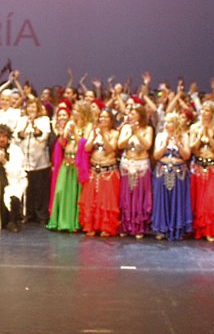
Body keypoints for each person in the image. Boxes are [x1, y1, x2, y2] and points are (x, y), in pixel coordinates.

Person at [78, 108, 121, 237]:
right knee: (91, 200)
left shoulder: (114, 133)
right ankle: (90, 225)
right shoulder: (94, 131)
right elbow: (87, 148)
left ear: (111, 120)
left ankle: (106, 227)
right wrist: (95, 136)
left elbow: (111, 149)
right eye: (101, 117)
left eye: (105, 117)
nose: (102, 119)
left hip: (108, 171)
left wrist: (103, 136)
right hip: (94, 170)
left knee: (106, 201)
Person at [47, 101, 89, 232]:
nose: (74, 113)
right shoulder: (70, 124)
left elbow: (85, 145)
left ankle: (74, 223)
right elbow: (63, 144)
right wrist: (61, 132)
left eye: (77, 111)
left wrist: (75, 134)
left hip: (78, 164)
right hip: (66, 162)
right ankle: (61, 221)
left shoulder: (88, 126)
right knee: (61, 191)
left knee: (75, 194)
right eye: (74, 110)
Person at [151, 112, 193, 240]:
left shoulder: (184, 136)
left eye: (169, 122)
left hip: (179, 172)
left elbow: (186, 156)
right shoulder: (160, 136)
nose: (166, 124)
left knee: (178, 199)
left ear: (176, 124)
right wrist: (165, 144)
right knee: (162, 199)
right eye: (166, 122)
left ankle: (177, 228)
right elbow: (156, 156)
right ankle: (161, 228)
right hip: (163, 170)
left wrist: (178, 143)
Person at [189, 101, 214, 242]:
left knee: (211, 200)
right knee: (198, 199)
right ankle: (198, 229)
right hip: (198, 166)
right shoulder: (194, 127)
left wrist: (209, 136)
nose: (204, 113)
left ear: (212, 113)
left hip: (213, 167)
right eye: (203, 110)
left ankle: (211, 229)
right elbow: (193, 148)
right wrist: (200, 136)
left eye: (208, 110)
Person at [116, 105, 153, 239]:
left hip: (141, 165)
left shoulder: (148, 129)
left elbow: (147, 145)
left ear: (140, 115)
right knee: (126, 195)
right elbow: (120, 145)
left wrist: (137, 132)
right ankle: (125, 225)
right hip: (127, 164)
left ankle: (139, 226)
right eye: (130, 113)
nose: (131, 115)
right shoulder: (126, 128)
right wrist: (130, 132)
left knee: (139, 196)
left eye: (134, 113)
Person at [14, 97, 52, 225]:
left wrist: (34, 125)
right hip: (24, 160)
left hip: (40, 161)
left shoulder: (44, 120)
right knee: (27, 189)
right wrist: (25, 126)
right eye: (29, 107)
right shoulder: (21, 120)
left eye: (33, 107)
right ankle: (27, 214)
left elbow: (43, 137)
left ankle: (41, 215)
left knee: (40, 189)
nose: (31, 109)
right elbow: (17, 137)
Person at [0, 123, 27, 231]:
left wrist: (5, 162)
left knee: (14, 198)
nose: (1, 139)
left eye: (4, 136)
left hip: (14, 182)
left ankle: (14, 221)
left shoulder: (16, 150)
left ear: (8, 137)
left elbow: (17, 172)